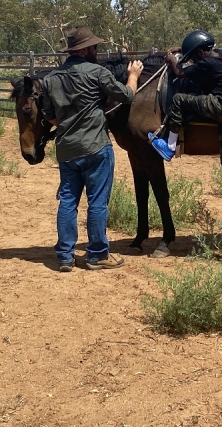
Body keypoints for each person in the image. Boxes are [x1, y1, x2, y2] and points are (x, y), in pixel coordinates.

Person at [42, 26, 143, 272]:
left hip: (66, 149)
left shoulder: (50, 79)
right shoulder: (97, 72)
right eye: (94, 47)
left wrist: (69, 124)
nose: (97, 51)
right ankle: (97, 254)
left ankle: (65, 256)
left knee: (67, 201)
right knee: (97, 202)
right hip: (96, 147)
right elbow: (127, 96)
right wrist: (134, 75)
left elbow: (49, 116)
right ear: (84, 50)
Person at [148, 29, 222, 235]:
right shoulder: (220, 56)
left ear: (200, 53)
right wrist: (183, 48)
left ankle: (169, 146)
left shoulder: (205, 64)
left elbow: (180, 73)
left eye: (194, 55)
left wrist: (171, 59)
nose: (193, 59)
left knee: (180, 99)